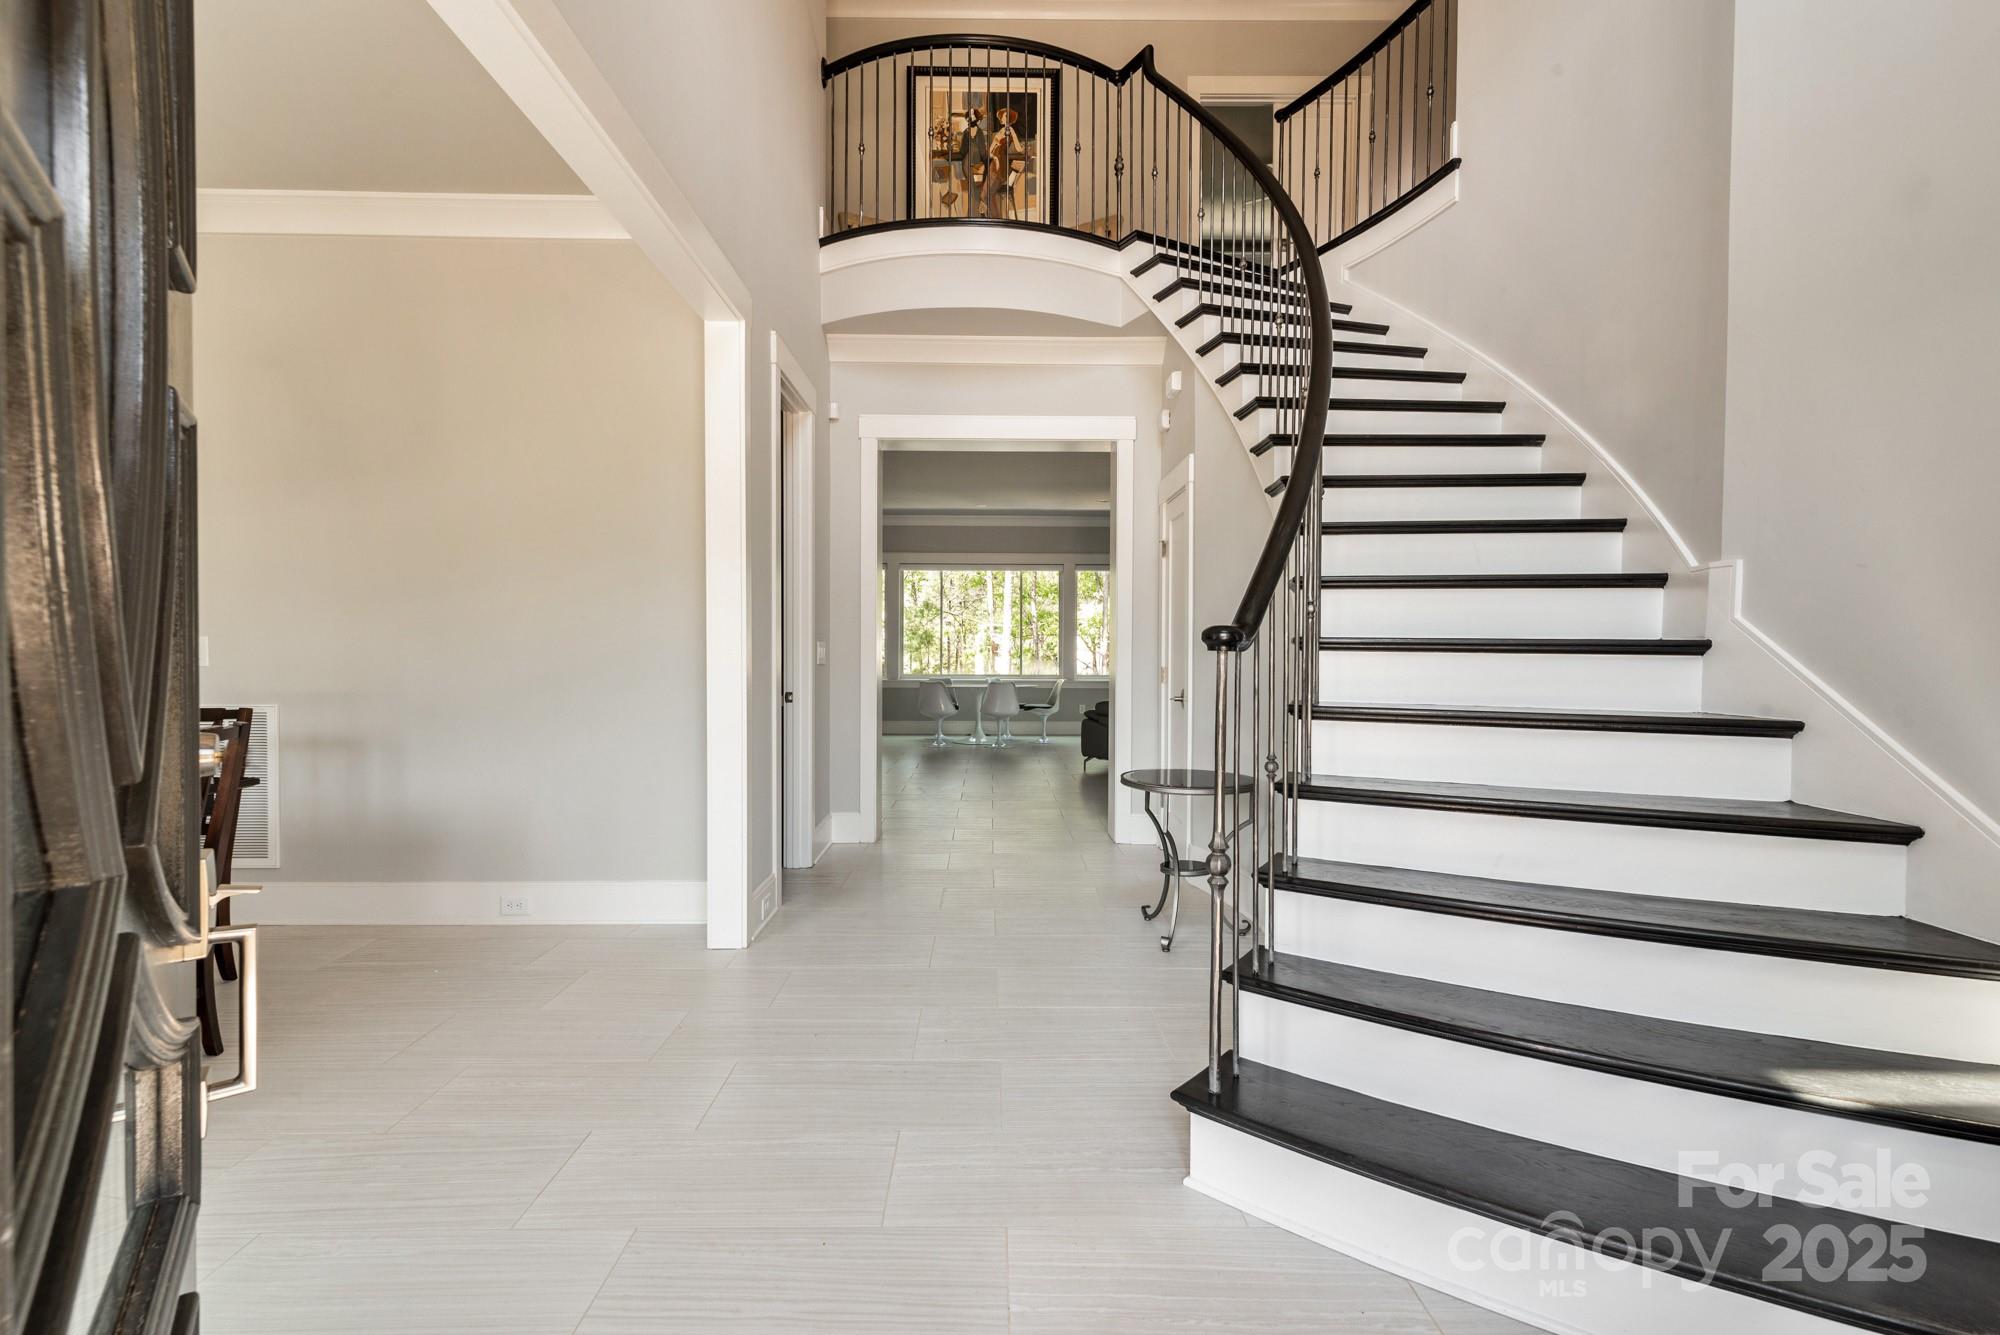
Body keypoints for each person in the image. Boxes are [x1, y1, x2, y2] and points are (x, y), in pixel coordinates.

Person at [984, 105, 1024, 220]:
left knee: (988, 195)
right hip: (994, 165)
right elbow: (990, 151)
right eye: (1002, 116)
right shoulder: (1000, 132)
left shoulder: (1010, 130)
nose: (1002, 118)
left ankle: (996, 219)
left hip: (1002, 167)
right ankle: (992, 218)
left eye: (1005, 116)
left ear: (1010, 119)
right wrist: (994, 157)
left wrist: (1022, 148)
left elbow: (1018, 148)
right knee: (984, 195)